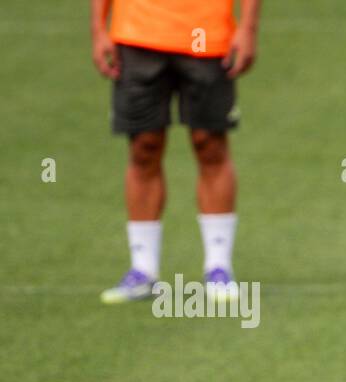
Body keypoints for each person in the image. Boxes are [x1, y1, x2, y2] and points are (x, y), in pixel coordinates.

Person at [92, 0, 258, 303]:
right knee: (144, 146)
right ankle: (143, 270)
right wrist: (98, 29)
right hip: (137, 34)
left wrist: (248, 27)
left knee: (209, 144)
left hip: (208, 34)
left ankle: (218, 267)